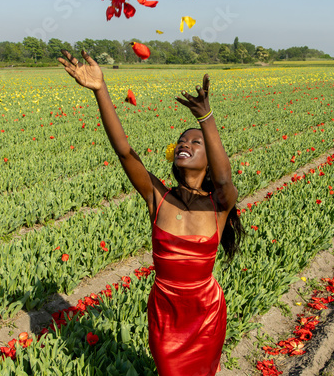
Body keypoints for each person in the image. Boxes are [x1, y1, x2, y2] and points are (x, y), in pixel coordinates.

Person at [57, 50, 243, 376]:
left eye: (196, 142)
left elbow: (225, 178)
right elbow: (124, 151)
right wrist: (101, 89)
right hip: (166, 311)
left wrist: (206, 119)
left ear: (210, 158)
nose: (185, 143)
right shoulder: (158, 197)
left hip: (206, 312)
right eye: (182, 140)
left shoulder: (220, 205)